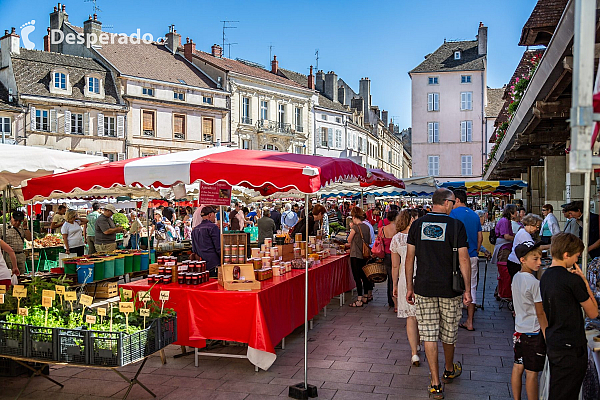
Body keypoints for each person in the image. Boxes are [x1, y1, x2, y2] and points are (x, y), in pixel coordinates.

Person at [405, 188, 472, 399]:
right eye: (452, 202)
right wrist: (468, 289)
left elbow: (409, 258)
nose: (453, 205)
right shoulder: (455, 226)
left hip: (424, 287)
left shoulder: (417, 225)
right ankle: (449, 369)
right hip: (450, 288)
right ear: (445, 203)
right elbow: (463, 260)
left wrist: (409, 286)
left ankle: (435, 383)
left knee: (429, 334)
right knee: (449, 332)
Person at [540, 233, 599, 400]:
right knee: (567, 392)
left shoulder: (546, 276)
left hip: (555, 340)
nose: (576, 260)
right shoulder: (572, 280)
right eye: (576, 256)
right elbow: (593, 312)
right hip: (572, 345)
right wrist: (585, 283)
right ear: (566, 255)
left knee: (558, 389)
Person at [510, 241, 548, 400]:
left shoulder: (517, 277)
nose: (539, 262)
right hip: (533, 333)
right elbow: (541, 313)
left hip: (519, 331)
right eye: (535, 258)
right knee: (532, 373)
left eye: (540, 258)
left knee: (518, 367)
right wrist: (547, 335)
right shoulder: (534, 283)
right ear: (522, 260)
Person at [449, 189, 482, 332]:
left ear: (456, 200)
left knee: (454, 286)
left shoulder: (453, 214)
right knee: (471, 287)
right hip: (473, 255)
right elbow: (479, 236)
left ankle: (453, 319)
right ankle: (470, 321)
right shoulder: (475, 215)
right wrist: (476, 250)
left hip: (456, 256)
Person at [392, 208, 420, 366]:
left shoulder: (396, 238)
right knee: (422, 316)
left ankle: (414, 352)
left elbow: (395, 267)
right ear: (411, 219)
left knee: (411, 317)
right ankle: (422, 343)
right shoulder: (420, 236)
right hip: (421, 277)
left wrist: (394, 285)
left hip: (404, 278)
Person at [507, 214, 548, 280]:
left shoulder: (523, 232)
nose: (537, 229)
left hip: (514, 261)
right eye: (536, 227)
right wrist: (549, 246)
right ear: (530, 224)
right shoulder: (524, 234)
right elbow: (534, 249)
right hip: (516, 263)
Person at [347, 207, 373, 307]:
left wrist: (351, 228)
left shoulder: (355, 228)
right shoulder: (367, 226)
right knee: (364, 276)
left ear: (354, 217)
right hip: (365, 255)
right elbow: (370, 241)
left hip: (355, 255)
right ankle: (365, 296)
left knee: (357, 277)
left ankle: (359, 299)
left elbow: (349, 240)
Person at [492, 205, 517, 300]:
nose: (517, 213)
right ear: (511, 212)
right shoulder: (505, 221)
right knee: (504, 271)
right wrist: (517, 237)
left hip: (506, 247)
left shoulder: (507, 221)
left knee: (503, 271)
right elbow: (506, 236)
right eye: (515, 211)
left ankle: (500, 291)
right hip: (504, 247)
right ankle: (501, 292)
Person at [191, 206, 221, 276]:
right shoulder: (213, 227)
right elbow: (218, 247)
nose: (215, 217)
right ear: (210, 215)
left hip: (201, 266)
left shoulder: (195, 230)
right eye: (214, 215)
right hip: (213, 264)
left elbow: (194, 250)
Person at [381, 209, 399, 310]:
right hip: (397, 255)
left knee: (390, 278)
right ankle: (397, 301)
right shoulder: (399, 229)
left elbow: (380, 241)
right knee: (396, 278)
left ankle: (391, 301)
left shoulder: (383, 229)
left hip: (387, 256)